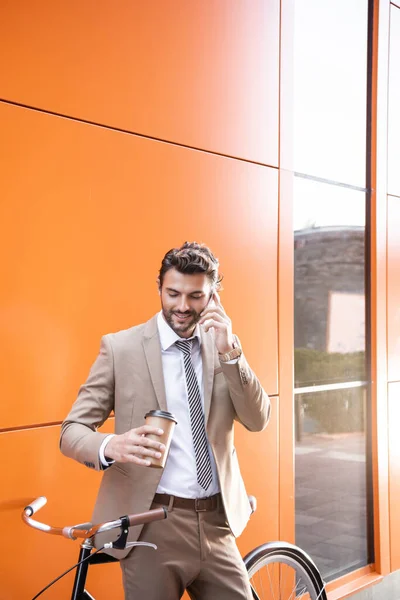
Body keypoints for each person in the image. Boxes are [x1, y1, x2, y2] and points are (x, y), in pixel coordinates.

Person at [60, 241, 270, 600]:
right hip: (151, 526)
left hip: (218, 522)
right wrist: (113, 445)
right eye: (173, 293)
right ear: (159, 287)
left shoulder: (223, 347)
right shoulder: (120, 348)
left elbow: (258, 419)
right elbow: (71, 432)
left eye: (195, 296)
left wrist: (231, 351)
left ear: (213, 296)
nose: (183, 306)